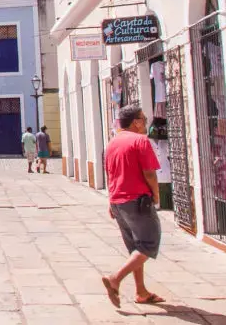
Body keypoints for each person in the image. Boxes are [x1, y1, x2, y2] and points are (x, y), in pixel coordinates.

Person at [101, 105, 164, 308]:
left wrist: (111, 200)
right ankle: (115, 279)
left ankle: (141, 292)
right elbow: (150, 173)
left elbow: (110, 174)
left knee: (136, 249)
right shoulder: (140, 141)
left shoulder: (111, 144)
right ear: (135, 122)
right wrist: (155, 195)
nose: (145, 122)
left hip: (118, 201)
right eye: (143, 119)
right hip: (138, 201)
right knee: (148, 244)